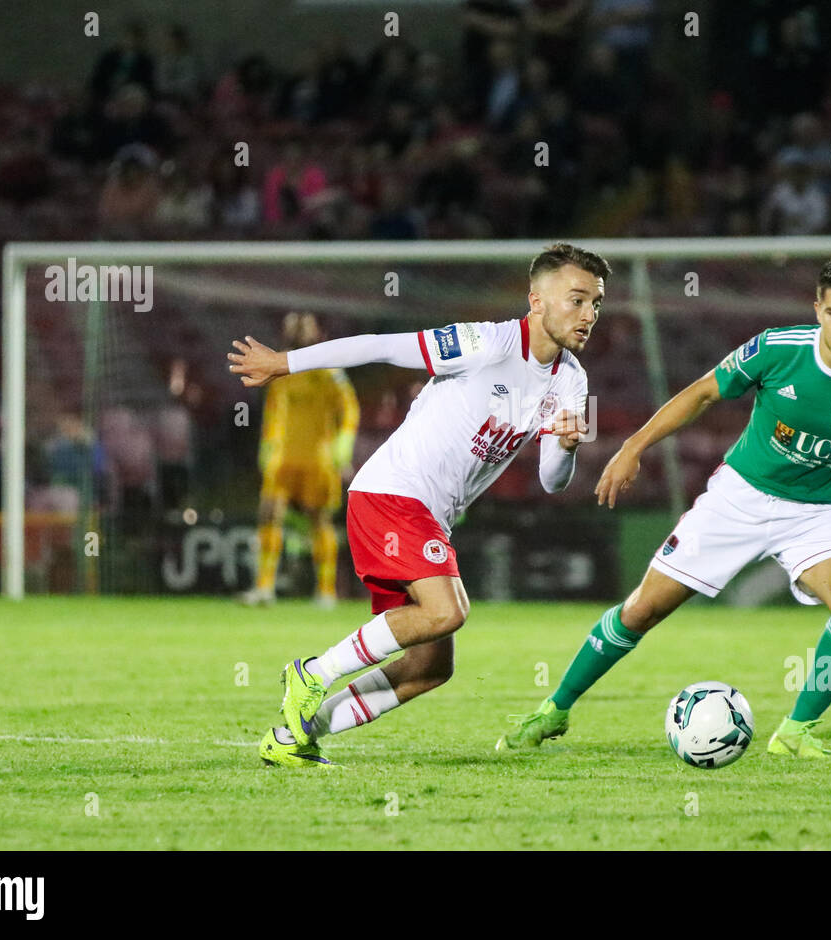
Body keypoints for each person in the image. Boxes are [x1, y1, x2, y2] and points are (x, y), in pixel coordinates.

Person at [496, 256, 831, 758]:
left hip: (817, 513)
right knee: (642, 610)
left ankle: (795, 733)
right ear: (818, 309)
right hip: (738, 499)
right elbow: (704, 393)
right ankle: (553, 710)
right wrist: (634, 446)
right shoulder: (777, 348)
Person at [227, 243, 609, 768]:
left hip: (427, 515)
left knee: (430, 667)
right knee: (447, 610)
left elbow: (551, 480)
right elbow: (381, 345)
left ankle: (294, 736)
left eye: (596, 304)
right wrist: (286, 364)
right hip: (392, 493)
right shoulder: (486, 342)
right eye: (578, 299)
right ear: (536, 300)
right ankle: (312, 674)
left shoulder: (572, 381)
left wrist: (565, 447)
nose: (589, 315)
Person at [240, 313, 359, 609]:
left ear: (316, 332)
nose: (296, 330)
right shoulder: (280, 369)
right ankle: (264, 588)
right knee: (269, 513)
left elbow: (349, 411)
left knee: (318, 520)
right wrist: (267, 447)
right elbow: (274, 413)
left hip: (317, 459)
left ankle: (326, 591)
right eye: (292, 325)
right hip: (284, 458)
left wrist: (343, 447)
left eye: (303, 326)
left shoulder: (329, 371)